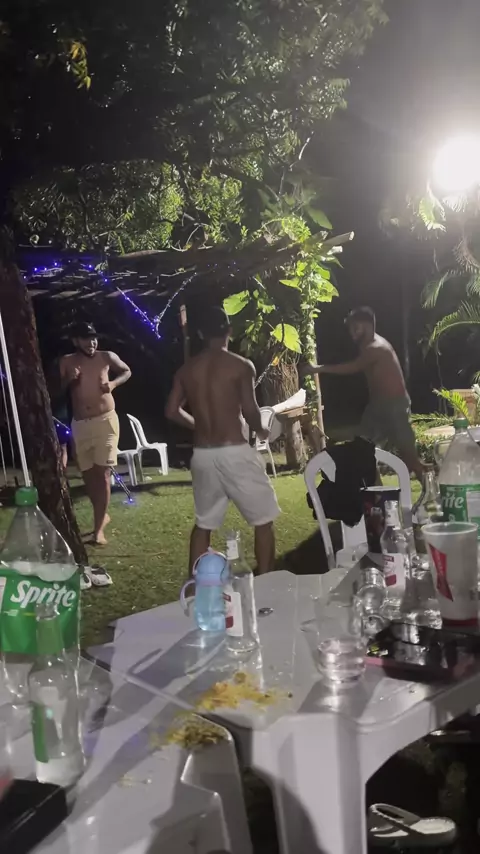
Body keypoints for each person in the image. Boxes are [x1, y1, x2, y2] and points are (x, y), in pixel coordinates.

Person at [165, 306, 280, 574]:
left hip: (203, 455)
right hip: (234, 452)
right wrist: (263, 430)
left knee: (204, 524)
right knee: (263, 521)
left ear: (201, 334)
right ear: (229, 330)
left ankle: (195, 586)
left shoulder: (186, 370)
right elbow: (250, 411)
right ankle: (266, 581)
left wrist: (199, 424)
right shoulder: (241, 365)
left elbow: (171, 411)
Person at [302, 306, 424, 480]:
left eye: (355, 327)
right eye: (350, 328)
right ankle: (376, 492)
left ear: (367, 325)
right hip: (376, 408)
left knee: (409, 457)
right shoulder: (366, 345)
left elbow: (353, 367)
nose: (352, 333)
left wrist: (318, 368)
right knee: (363, 449)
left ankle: (430, 489)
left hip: (395, 406)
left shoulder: (377, 347)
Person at [59, 322, 131, 545]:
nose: (91, 342)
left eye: (93, 338)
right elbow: (56, 390)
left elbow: (127, 371)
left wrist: (113, 383)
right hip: (81, 424)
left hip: (105, 421)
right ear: (75, 341)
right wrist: (69, 380)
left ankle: (98, 530)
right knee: (89, 477)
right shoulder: (67, 361)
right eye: (86, 338)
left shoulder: (106, 356)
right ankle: (102, 515)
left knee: (103, 474)